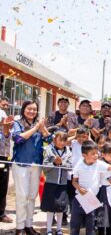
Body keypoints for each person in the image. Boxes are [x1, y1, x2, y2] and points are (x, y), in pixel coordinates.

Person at [70, 140, 111, 235]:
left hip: (91, 198)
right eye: (93, 154)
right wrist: (79, 188)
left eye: (97, 153)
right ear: (84, 155)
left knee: (91, 227)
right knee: (75, 225)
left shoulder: (99, 164)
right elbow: (74, 181)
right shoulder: (79, 165)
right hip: (79, 198)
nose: (96, 155)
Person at [11, 100, 51, 235]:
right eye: (29, 109)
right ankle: (19, 227)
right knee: (22, 196)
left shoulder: (39, 125)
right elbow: (18, 139)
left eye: (34, 109)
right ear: (23, 109)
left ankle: (29, 225)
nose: (32, 112)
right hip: (21, 163)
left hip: (36, 164)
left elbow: (49, 141)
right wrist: (35, 129)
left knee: (32, 196)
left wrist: (42, 128)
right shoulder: (17, 123)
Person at [41, 131, 72, 235]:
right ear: (54, 140)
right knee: (50, 207)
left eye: (64, 140)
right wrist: (54, 163)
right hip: (51, 183)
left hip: (62, 184)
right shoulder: (49, 150)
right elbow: (44, 168)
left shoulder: (68, 151)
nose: (62, 142)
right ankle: (49, 229)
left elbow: (70, 166)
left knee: (60, 207)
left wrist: (62, 163)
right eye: (60, 140)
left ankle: (59, 229)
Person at [0, 96, 13, 224]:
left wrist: (7, 127)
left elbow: (7, 134)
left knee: (3, 185)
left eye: (6, 106)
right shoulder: (2, 115)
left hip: (4, 155)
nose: (5, 107)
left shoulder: (6, 118)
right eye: (3, 105)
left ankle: (1, 213)